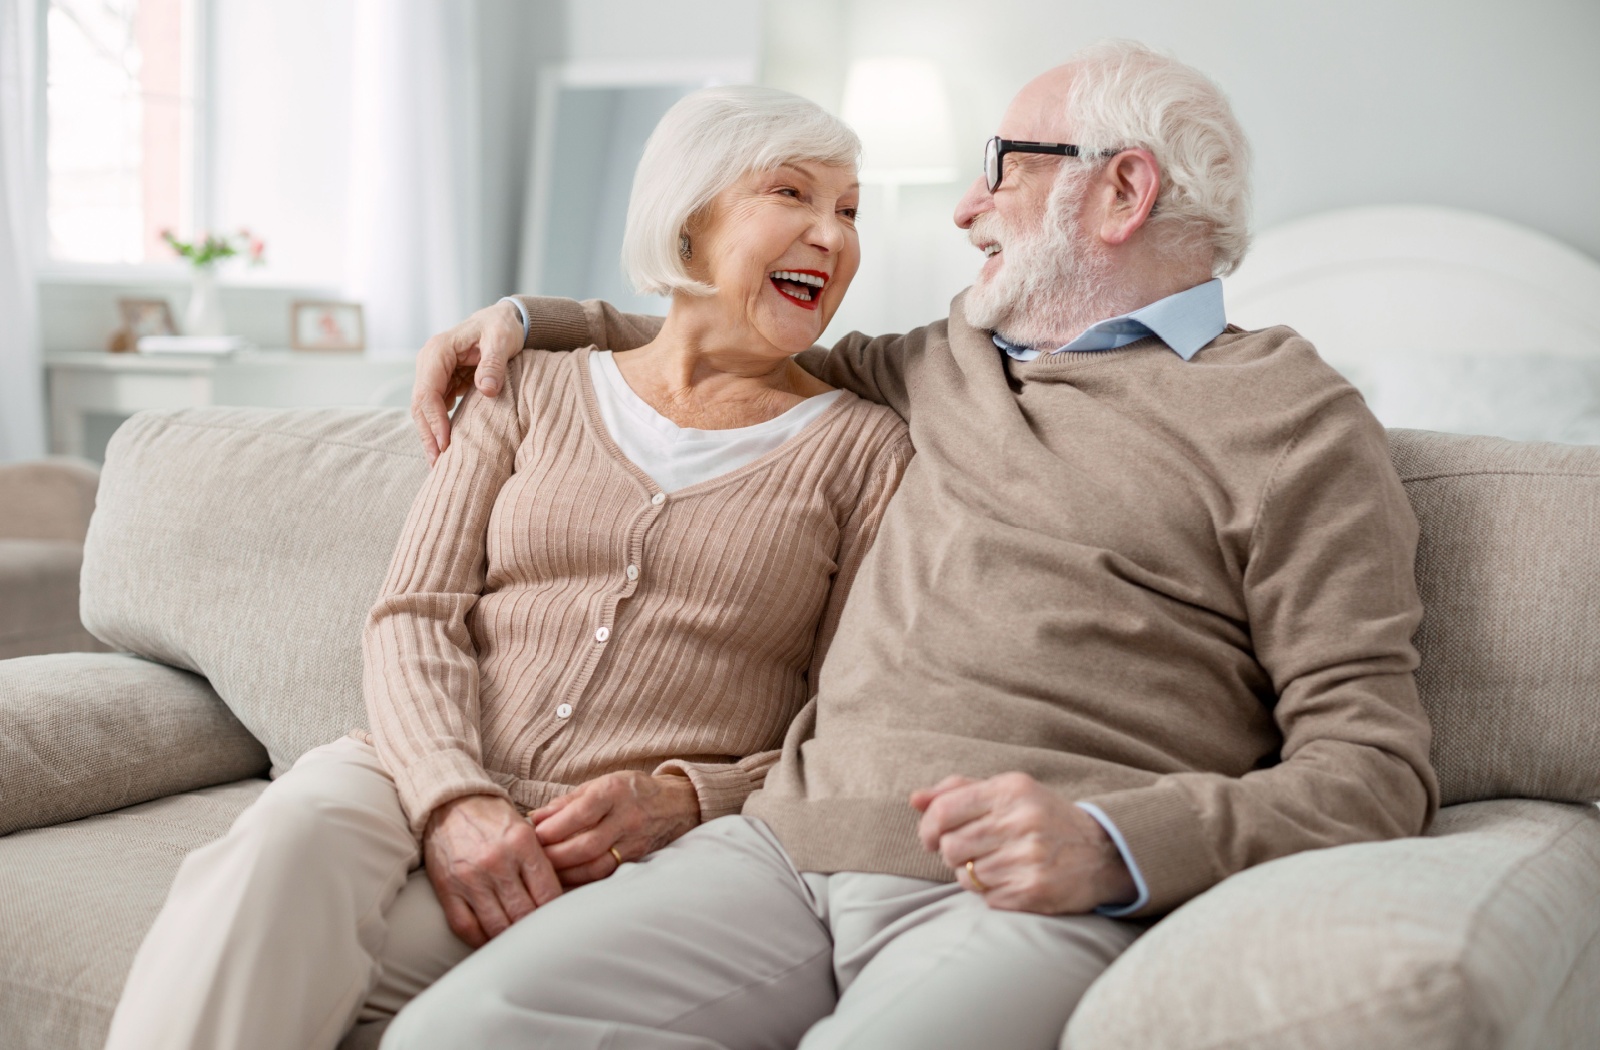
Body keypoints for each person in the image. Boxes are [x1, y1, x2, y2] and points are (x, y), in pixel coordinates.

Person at [391, 40, 1438, 1050]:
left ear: (1123, 191)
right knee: (454, 1033)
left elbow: (1373, 769)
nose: (963, 208)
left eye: (1000, 168)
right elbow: (716, 337)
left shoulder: (1291, 420)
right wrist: (530, 319)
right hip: (780, 851)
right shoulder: (942, 359)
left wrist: (1115, 844)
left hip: (1022, 890)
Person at [103, 86, 912, 1050]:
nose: (833, 234)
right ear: (688, 220)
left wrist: (688, 796)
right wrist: (453, 796)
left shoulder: (867, 450)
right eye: (794, 194)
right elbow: (414, 613)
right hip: (406, 767)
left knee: (345, 980)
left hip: (602, 845)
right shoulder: (526, 386)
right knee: (286, 840)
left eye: (851, 210)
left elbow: (850, 722)